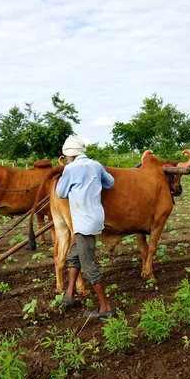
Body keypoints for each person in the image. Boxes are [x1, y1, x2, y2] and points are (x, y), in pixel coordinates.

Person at [56, 135, 115, 318]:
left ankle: (106, 308)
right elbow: (110, 182)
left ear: (69, 155)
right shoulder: (96, 165)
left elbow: (61, 192)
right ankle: (69, 292)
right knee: (74, 255)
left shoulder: (70, 169)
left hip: (83, 222)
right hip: (96, 218)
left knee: (89, 266)